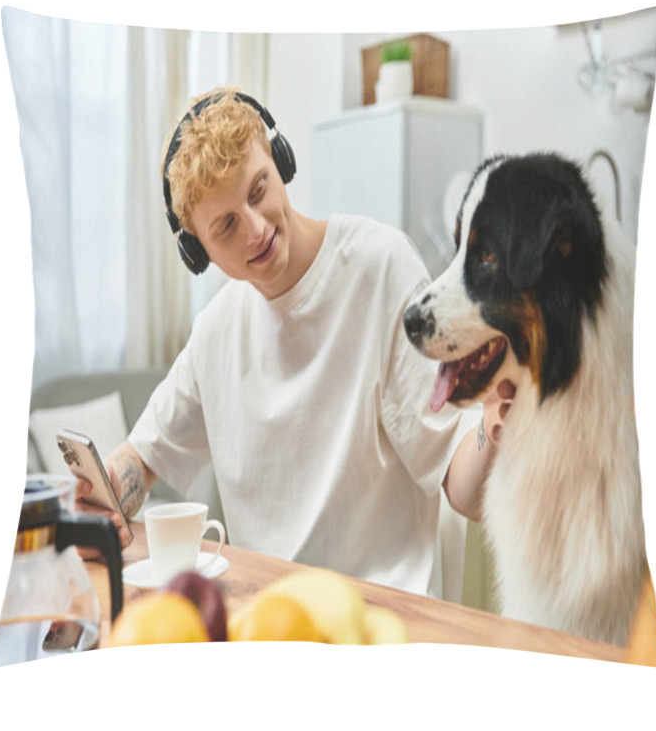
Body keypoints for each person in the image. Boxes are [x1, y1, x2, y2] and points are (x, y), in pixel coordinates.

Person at [77, 86, 512, 598]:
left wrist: (494, 423)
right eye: (226, 226)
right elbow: (142, 457)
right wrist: (104, 494)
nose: (257, 229)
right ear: (200, 253)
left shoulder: (380, 267)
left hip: (380, 623)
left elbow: (464, 489)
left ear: (280, 161)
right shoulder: (216, 331)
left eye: (258, 189)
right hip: (270, 624)